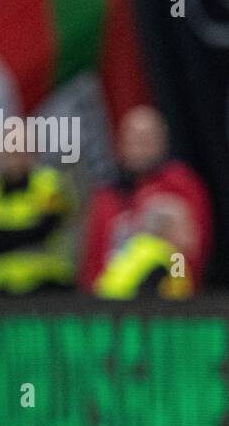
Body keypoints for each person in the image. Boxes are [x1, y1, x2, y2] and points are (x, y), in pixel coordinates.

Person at [80, 105, 211, 292]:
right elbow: (93, 263)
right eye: (131, 140)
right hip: (110, 305)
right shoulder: (106, 197)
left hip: (166, 302)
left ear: (162, 142)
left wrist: (178, 292)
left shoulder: (180, 185)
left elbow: (190, 252)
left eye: (145, 140)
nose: (138, 148)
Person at [0, 149, 73, 301]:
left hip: (43, 290)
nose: (14, 159)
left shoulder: (49, 185)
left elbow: (42, 231)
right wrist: (19, 234)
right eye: (8, 152)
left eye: (21, 150)